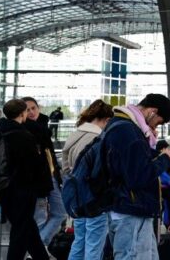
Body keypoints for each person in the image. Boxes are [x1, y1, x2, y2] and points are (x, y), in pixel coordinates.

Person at [104, 94, 170, 260]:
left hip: (130, 209)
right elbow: (138, 175)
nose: (157, 127)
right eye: (159, 122)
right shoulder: (127, 131)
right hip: (130, 210)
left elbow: (132, 162)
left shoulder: (122, 126)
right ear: (152, 112)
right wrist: (165, 159)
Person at [0, 99, 51, 260]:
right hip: (23, 191)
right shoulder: (24, 136)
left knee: (27, 228)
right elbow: (34, 166)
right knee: (21, 230)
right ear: (22, 113)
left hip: (3, 189)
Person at [61, 100, 114, 260]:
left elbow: (65, 169)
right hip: (94, 199)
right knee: (94, 245)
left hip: (77, 199)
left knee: (79, 242)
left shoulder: (75, 135)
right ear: (106, 119)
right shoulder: (97, 139)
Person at [21, 96, 66, 247]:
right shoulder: (25, 130)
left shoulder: (43, 127)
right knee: (39, 218)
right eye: (27, 110)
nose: (32, 112)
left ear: (38, 108)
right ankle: (38, 251)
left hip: (51, 176)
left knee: (60, 212)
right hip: (36, 181)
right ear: (22, 113)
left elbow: (50, 154)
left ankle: (38, 248)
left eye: (33, 108)